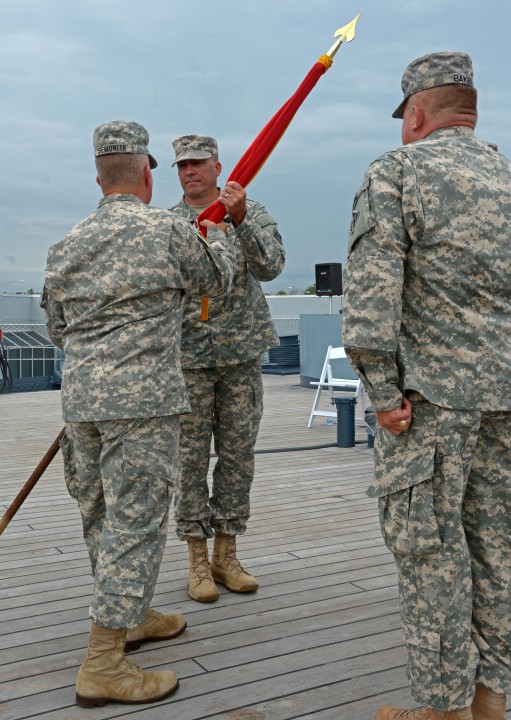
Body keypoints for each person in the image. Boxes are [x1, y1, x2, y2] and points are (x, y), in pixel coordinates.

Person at [41, 121, 235, 707]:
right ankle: (103, 662)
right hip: (143, 405)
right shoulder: (168, 231)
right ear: (148, 173)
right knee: (137, 522)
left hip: (82, 404)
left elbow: (57, 328)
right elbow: (216, 285)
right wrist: (220, 227)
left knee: (101, 516)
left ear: (98, 177)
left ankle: (131, 615)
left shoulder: (66, 244)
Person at [342, 52, 511, 720]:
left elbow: (368, 301)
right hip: (504, 400)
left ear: (415, 113)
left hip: (428, 408)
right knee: (497, 551)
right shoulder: (505, 177)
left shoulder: (397, 170)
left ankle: (441, 713)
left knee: (431, 558)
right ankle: (489, 703)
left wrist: (382, 395)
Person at [169, 134, 285, 602]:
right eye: (182, 166)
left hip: (240, 354)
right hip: (189, 358)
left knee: (238, 458)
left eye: (198, 163)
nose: (190, 172)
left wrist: (238, 221)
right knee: (191, 461)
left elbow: (272, 267)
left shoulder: (250, 212)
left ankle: (227, 553)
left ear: (219, 167)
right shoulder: (169, 225)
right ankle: (197, 558)